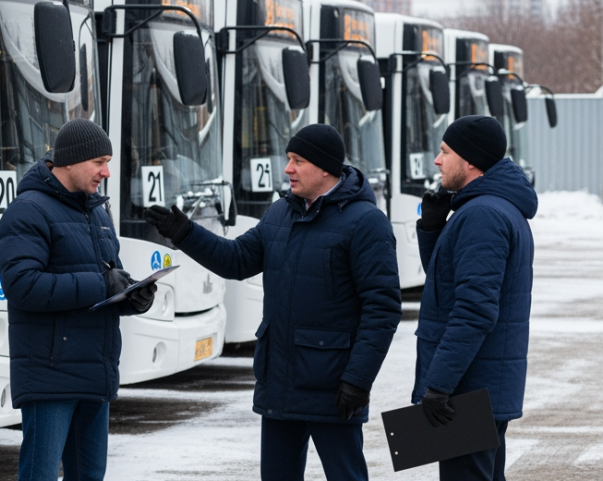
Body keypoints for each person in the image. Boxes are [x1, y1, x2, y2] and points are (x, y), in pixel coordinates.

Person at [145, 124, 401, 481]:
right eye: (288, 159)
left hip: (333, 386)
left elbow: (382, 308)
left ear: (325, 168)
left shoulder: (366, 223)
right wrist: (185, 233)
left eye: (298, 161)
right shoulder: (281, 214)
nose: (288, 169)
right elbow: (236, 260)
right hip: (279, 381)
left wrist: (358, 380)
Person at [0, 118, 155, 481]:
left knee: (89, 476)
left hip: (94, 371)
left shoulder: (97, 212)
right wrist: (102, 284)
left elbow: (108, 279)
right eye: (99, 162)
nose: (107, 172)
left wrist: (133, 296)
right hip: (50, 375)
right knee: (39, 475)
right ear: (69, 160)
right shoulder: (28, 210)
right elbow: (22, 285)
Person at [413, 115, 535, 481]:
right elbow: (447, 283)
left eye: (445, 152)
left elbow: (474, 310)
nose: (437, 160)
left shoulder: (482, 214)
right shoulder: (485, 207)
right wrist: (433, 228)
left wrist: (440, 386)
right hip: (480, 384)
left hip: (468, 390)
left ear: (470, 161)